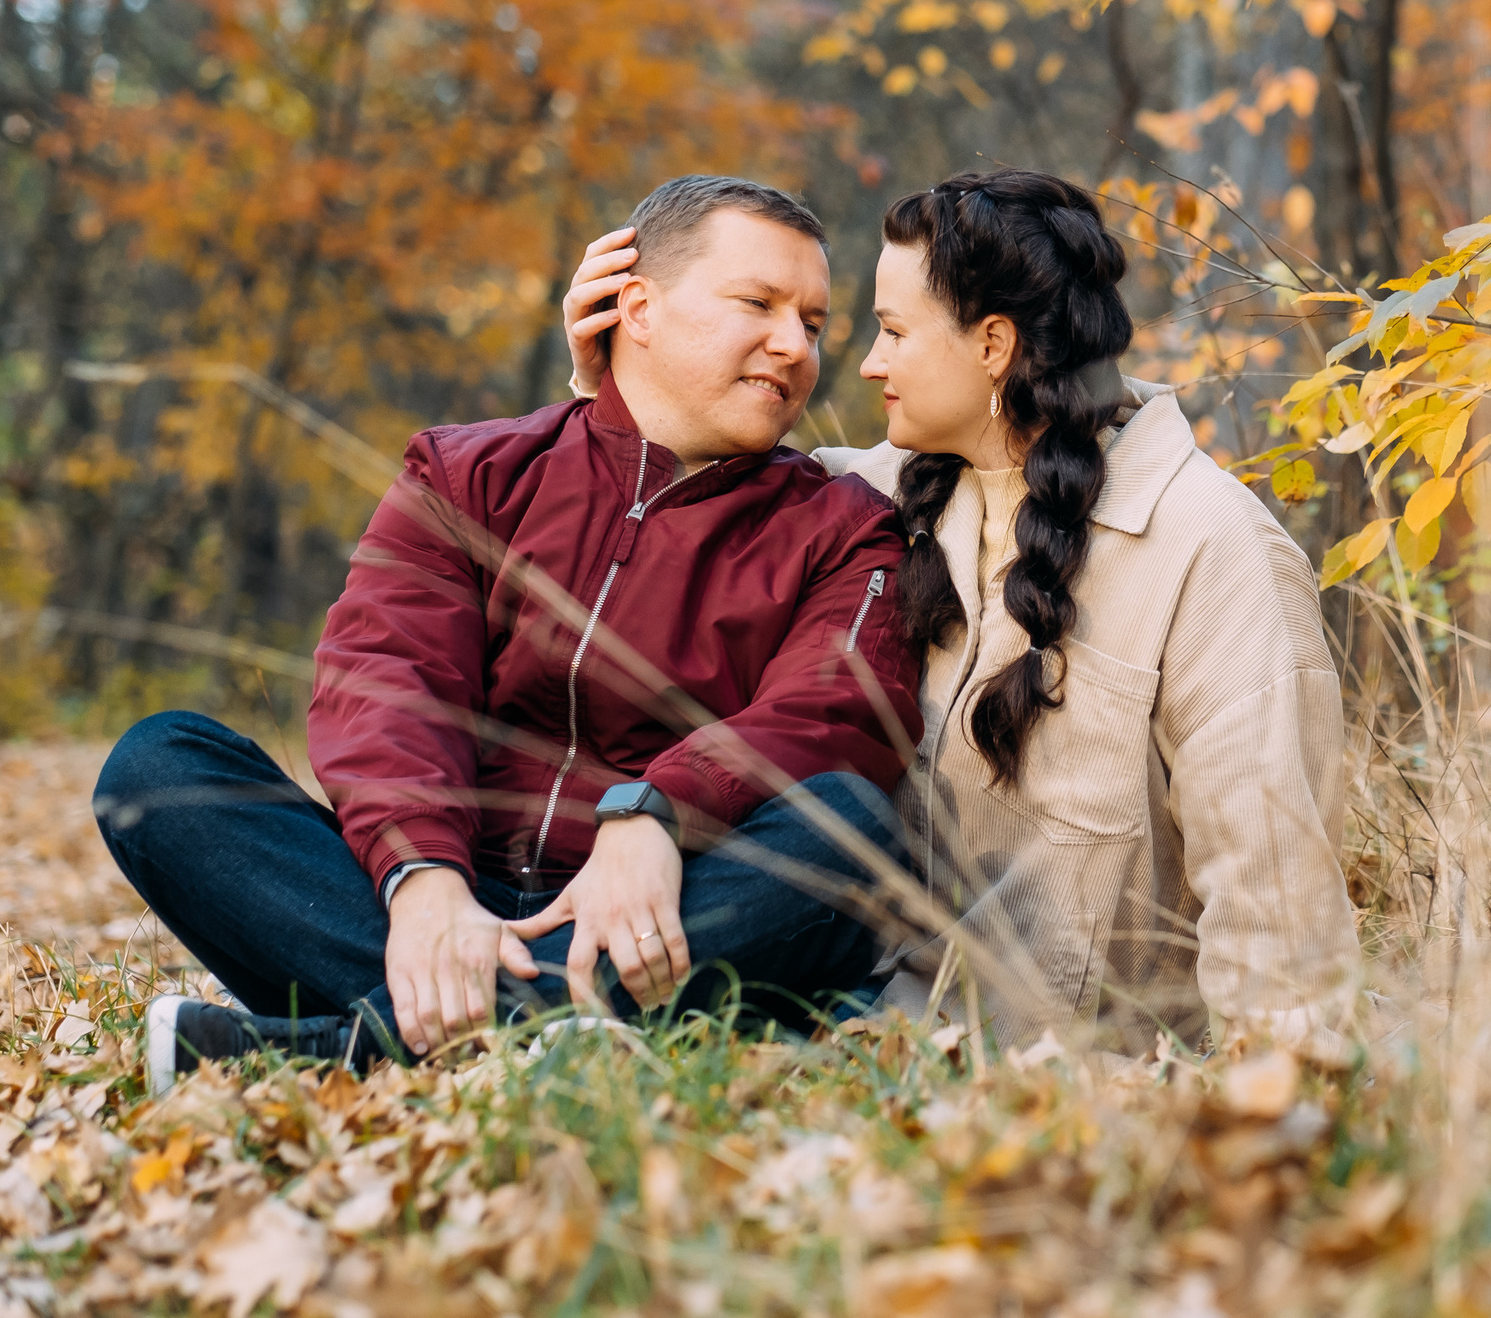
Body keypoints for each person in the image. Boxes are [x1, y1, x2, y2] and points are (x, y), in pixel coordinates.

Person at [96, 175, 922, 1094]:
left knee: (850, 823)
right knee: (156, 766)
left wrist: (653, 814)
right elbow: (387, 677)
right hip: (437, 887)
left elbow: (838, 706)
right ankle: (551, 1030)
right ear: (637, 308)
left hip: (664, 909)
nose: (794, 346)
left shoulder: (842, 522)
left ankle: (349, 1050)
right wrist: (425, 884)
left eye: (812, 322)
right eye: (759, 304)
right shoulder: (468, 470)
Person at [563, 169, 1358, 1054]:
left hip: (1062, 1113)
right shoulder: (864, 498)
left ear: (992, 345)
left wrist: (1272, 1124)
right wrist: (627, 367)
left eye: (894, 331)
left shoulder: (1214, 549)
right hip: (832, 1065)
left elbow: (1275, 917)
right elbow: (661, 525)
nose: (867, 362)